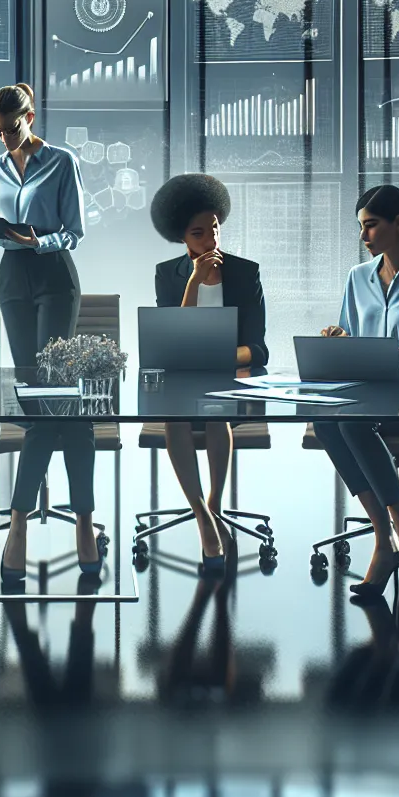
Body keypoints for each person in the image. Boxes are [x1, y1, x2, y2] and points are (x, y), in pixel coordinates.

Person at [0, 82, 99, 581]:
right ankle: (83, 519)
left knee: (52, 399)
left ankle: (21, 525)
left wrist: (32, 238)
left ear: (31, 117)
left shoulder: (61, 162)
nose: (3, 140)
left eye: (11, 128)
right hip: (12, 280)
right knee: (43, 403)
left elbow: (74, 234)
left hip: (54, 276)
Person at [312, 184, 399, 595]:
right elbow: (352, 340)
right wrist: (338, 338)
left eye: (371, 226)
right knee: (325, 421)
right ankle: (393, 534)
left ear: (398, 223)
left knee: (352, 424)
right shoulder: (357, 279)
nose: (364, 237)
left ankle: (394, 538)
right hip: (368, 393)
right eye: (361, 227)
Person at [149, 173, 269, 570]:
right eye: (199, 233)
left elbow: (259, 347)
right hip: (182, 378)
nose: (211, 240)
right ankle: (202, 515)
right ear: (181, 237)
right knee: (174, 417)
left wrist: (218, 358)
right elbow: (172, 339)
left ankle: (214, 504)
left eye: (214, 228)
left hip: (228, 377)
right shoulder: (168, 275)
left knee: (216, 412)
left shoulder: (245, 273)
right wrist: (195, 283)